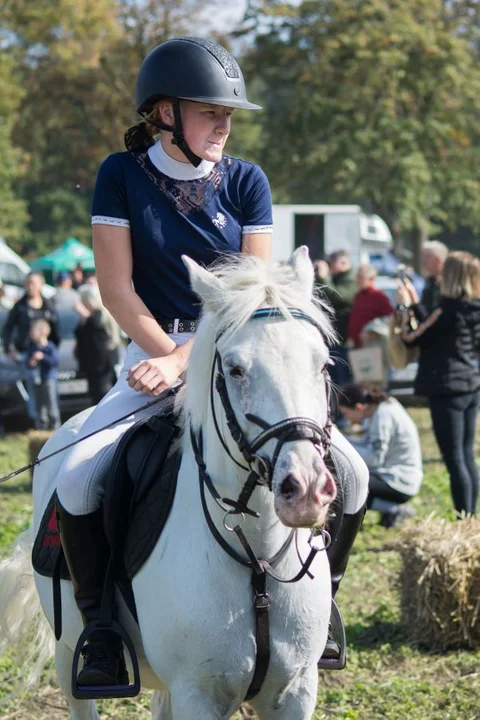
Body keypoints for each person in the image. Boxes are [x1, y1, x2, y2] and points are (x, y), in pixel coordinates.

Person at [54, 37, 274, 690]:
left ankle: (321, 611)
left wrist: (187, 360)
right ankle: (99, 629)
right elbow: (116, 290)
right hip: (146, 354)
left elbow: (252, 289)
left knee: (339, 467)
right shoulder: (119, 176)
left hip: (234, 359)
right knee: (76, 476)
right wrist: (170, 357)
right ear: (165, 115)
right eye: (210, 111)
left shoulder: (247, 180)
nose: (225, 123)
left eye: (229, 112)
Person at [398, 251, 480, 518]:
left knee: (454, 459)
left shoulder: (446, 308)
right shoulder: (472, 307)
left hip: (447, 388)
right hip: (469, 385)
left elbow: (414, 337)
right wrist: (416, 304)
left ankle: (462, 518)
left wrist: (406, 307)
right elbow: (432, 325)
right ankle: (470, 518)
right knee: (466, 456)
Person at [339, 384, 422, 528]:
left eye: (346, 414)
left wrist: (342, 446)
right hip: (393, 475)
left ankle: (395, 510)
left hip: (400, 481)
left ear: (359, 407)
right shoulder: (380, 409)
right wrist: (341, 440)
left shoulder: (383, 416)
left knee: (346, 484)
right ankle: (390, 509)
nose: (347, 419)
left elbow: (373, 459)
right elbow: (367, 445)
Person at [2, 271, 60, 426]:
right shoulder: (20, 306)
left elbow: (56, 330)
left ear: (41, 284)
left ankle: (54, 424)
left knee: (51, 392)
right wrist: (9, 349)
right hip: (28, 356)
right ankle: (38, 422)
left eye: (33, 283)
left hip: (46, 356)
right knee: (34, 393)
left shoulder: (48, 305)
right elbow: (8, 329)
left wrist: (52, 348)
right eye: (27, 283)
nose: (30, 287)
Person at [315, 250, 356, 389]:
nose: (330, 267)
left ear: (344, 263)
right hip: (332, 340)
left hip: (343, 340)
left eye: (332, 263)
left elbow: (339, 297)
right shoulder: (335, 279)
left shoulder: (350, 280)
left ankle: (342, 410)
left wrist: (324, 277)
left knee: (342, 383)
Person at [75, 286, 121, 404]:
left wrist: (85, 316)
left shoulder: (98, 316)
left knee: (102, 396)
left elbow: (93, 329)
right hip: (98, 366)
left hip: (100, 366)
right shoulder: (97, 316)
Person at [26, 319, 61, 430]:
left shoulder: (50, 347)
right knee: (40, 407)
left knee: (51, 405)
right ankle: (42, 429)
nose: (31, 334)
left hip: (48, 380)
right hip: (37, 381)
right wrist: (32, 362)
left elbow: (55, 361)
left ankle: (55, 428)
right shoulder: (33, 348)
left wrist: (43, 357)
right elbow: (28, 364)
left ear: (42, 332)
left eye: (33, 331)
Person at [348, 264, 393, 348]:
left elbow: (390, 318)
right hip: (356, 345)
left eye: (361, 278)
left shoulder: (379, 296)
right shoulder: (358, 295)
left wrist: (372, 332)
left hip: (371, 345)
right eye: (357, 277)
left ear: (372, 279)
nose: (358, 280)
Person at [420, 240, 448, 314]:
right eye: (423, 256)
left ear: (439, 259)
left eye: (427, 257)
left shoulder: (447, 282)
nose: (423, 260)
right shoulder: (430, 280)